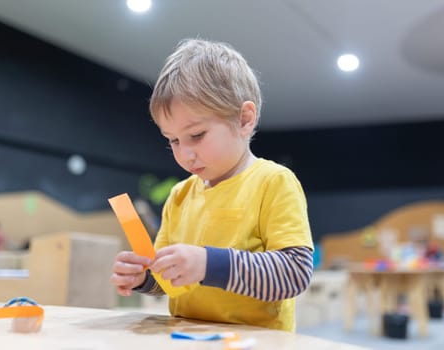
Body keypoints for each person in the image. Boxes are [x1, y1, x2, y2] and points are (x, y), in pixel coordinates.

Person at [110, 38, 314, 331]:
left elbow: (294, 274)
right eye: (173, 140)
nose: (184, 153)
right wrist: (144, 278)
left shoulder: (274, 182)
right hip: (186, 338)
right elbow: (171, 282)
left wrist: (208, 264)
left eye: (196, 135)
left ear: (244, 119)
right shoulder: (179, 196)